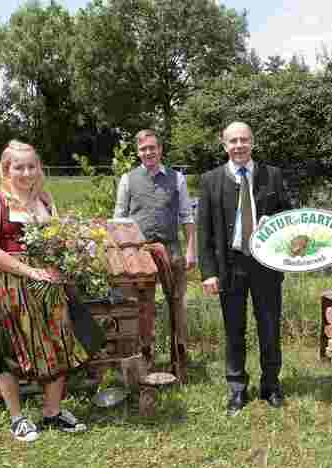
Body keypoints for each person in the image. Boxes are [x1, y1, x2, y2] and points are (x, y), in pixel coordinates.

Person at [0, 140, 88, 442]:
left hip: (47, 287)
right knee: (10, 348)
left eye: (31, 166)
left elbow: (58, 241)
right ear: (6, 169)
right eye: (19, 167)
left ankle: (52, 411)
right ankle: (17, 418)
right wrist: (28, 270)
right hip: (8, 287)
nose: (26, 172)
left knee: (58, 342)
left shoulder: (46, 201)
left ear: (39, 168)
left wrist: (67, 260)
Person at [198, 121, 292, 416]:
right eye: (233, 141)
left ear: (253, 142)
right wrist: (209, 272)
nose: (239, 145)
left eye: (244, 140)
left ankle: (271, 386)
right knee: (233, 330)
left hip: (266, 265)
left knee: (269, 327)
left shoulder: (272, 176)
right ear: (224, 145)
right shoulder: (211, 180)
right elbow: (204, 233)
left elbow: (288, 217)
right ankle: (237, 388)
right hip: (230, 266)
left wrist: (273, 224)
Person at [114, 129, 196, 367]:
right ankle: (144, 357)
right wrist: (122, 255)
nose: (148, 152)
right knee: (143, 306)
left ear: (160, 149)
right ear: (138, 152)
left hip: (171, 250)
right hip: (139, 254)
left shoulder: (176, 178)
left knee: (177, 303)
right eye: (143, 149)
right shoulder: (128, 179)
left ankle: (179, 356)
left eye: (153, 147)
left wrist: (191, 250)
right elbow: (119, 219)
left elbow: (186, 216)